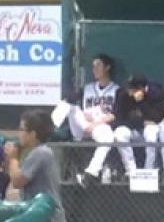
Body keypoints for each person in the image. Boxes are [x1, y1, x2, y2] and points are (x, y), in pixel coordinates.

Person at [51, 54, 120, 188]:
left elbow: (115, 115)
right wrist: (83, 115)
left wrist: (95, 123)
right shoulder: (87, 88)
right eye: (93, 66)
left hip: (100, 126)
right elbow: (70, 102)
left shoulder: (117, 90)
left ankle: (91, 172)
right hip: (83, 125)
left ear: (107, 67)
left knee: (108, 137)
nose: (94, 69)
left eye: (98, 65)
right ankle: (50, 130)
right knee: (67, 105)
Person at [4, 110, 67, 222]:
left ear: (33, 134)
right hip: (39, 220)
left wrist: (13, 158)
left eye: (22, 129)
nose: (19, 134)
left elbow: (17, 181)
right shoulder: (37, 152)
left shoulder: (41, 153)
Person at [113, 74, 164, 179]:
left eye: (132, 89)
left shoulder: (155, 93)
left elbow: (157, 118)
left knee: (151, 133)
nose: (129, 91)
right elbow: (118, 119)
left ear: (141, 89)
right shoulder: (123, 95)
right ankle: (131, 171)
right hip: (133, 129)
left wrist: (141, 102)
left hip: (150, 130)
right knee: (120, 133)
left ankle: (149, 171)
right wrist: (141, 123)